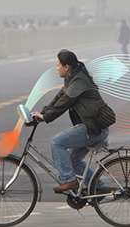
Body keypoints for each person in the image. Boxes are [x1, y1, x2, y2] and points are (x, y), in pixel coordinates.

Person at [31, 50, 116, 193]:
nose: (56, 68)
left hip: (93, 129)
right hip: (93, 127)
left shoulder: (79, 81)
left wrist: (46, 117)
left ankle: (68, 181)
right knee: (72, 160)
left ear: (67, 67)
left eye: (58, 65)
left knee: (57, 142)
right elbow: (59, 97)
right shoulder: (72, 78)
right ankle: (99, 188)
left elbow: (65, 102)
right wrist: (43, 113)